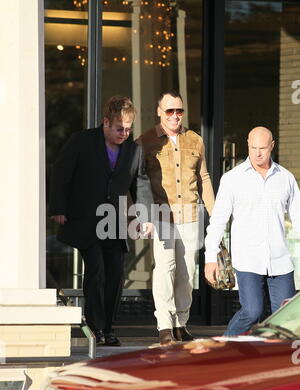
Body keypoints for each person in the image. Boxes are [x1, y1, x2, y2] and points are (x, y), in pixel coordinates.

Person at [49, 96, 153, 346]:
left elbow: (140, 183)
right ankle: (96, 328)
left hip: (114, 223)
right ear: (106, 122)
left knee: (115, 275)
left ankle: (108, 327)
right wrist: (58, 208)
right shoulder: (82, 141)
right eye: (120, 128)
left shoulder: (133, 151)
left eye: (128, 129)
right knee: (96, 272)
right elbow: (61, 173)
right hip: (84, 219)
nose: (125, 134)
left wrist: (144, 217)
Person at [205, 126, 300, 336]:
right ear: (247, 145)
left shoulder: (286, 178)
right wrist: (210, 257)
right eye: (253, 147)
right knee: (252, 311)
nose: (258, 153)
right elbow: (218, 220)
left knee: (286, 319)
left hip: (280, 260)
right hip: (248, 260)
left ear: (272, 146)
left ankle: (280, 363)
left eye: (263, 148)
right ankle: (225, 349)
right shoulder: (232, 179)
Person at [137, 90, 215, 345]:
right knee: (165, 269)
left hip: (191, 214)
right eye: (169, 110)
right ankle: (164, 325)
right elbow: (136, 181)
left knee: (186, 273)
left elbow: (204, 178)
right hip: (161, 215)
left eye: (179, 110)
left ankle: (181, 322)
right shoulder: (145, 142)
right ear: (159, 111)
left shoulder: (195, 140)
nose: (174, 115)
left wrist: (215, 216)